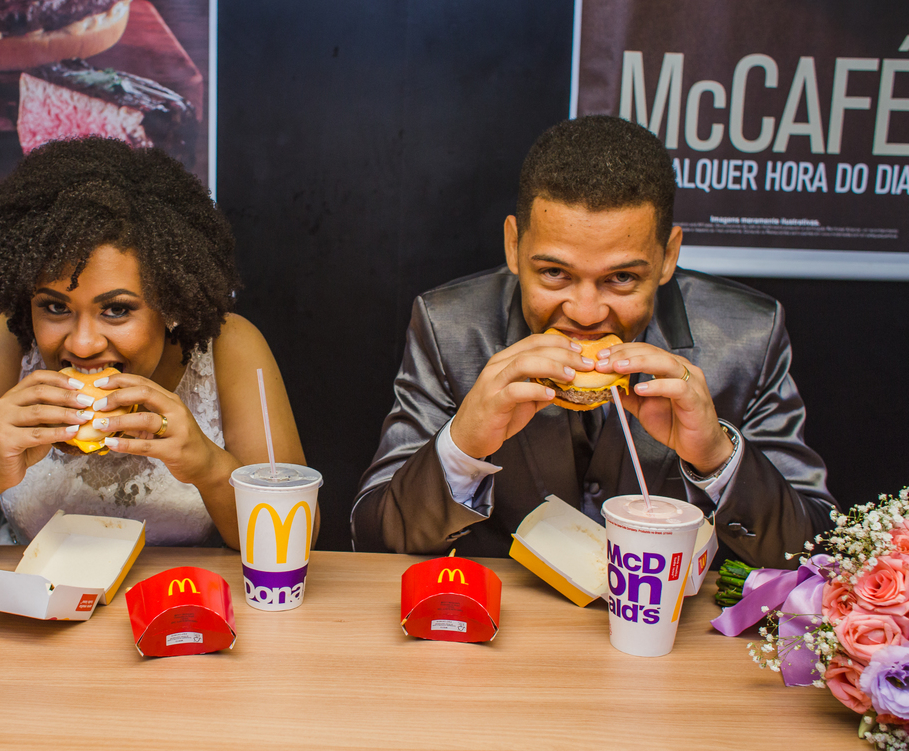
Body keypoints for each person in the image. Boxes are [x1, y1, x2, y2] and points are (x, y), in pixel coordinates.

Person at [352, 115, 835, 569]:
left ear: (667, 257)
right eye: (555, 273)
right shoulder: (449, 327)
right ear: (513, 246)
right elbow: (374, 540)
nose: (585, 312)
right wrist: (464, 445)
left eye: (621, 277)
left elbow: (817, 552)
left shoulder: (748, 336)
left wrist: (716, 456)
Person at [0, 137, 311, 552]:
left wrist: (208, 466)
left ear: (171, 305)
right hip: (30, 628)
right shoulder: (8, 345)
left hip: (179, 627)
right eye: (55, 307)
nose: (83, 344)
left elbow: (295, 541)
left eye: (117, 309)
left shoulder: (228, 349)